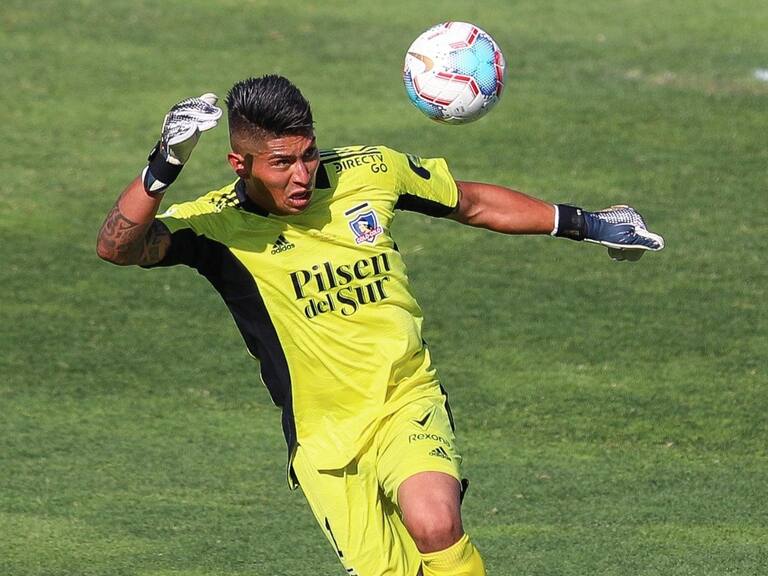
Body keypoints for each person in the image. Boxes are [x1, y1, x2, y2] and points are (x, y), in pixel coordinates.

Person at [97, 75, 663, 576]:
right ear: (239, 164)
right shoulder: (213, 227)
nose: (301, 174)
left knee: (435, 523)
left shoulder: (369, 171)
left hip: (403, 397)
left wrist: (589, 224)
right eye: (281, 163)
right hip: (323, 438)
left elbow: (469, 203)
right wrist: (161, 168)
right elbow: (117, 248)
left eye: (308, 154)